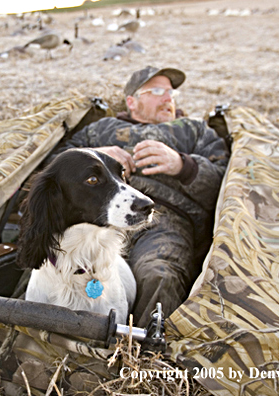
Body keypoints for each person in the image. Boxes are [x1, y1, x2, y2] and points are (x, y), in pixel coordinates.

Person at [54, 66, 230, 327]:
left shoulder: (194, 131)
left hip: (162, 223)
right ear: (131, 102)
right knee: (50, 266)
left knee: (159, 274)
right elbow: (51, 167)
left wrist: (183, 165)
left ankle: (140, 358)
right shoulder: (101, 129)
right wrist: (94, 156)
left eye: (171, 92)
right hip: (95, 221)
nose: (168, 97)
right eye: (157, 91)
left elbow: (227, 183)